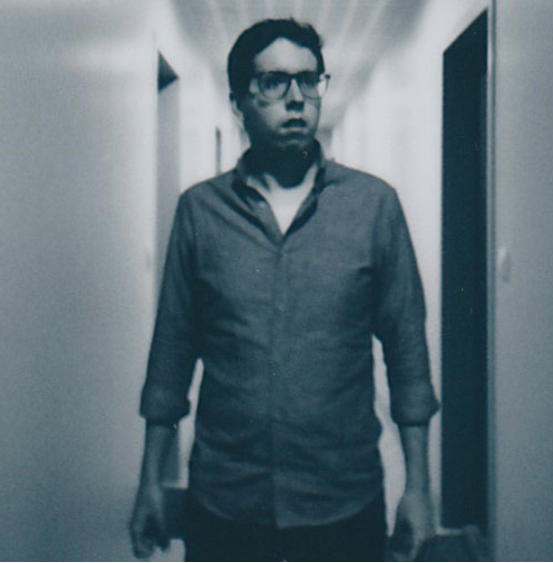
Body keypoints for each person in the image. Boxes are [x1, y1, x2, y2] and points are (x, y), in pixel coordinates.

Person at [130, 18, 439, 562]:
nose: (296, 99)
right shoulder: (200, 212)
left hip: (343, 503)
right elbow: (172, 352)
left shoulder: (373, 207)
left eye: (309, 80)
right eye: (273, 82)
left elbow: (407, 352)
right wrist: (149, 480)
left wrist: (418, 487)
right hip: (225, 503)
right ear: (238, 102)